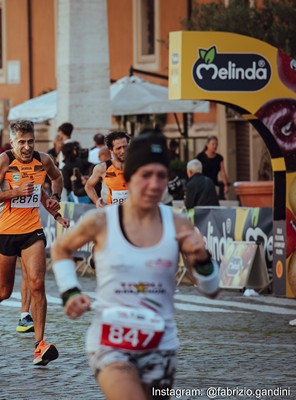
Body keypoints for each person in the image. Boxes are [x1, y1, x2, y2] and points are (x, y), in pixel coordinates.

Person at [51, 130, 220, 399]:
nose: (154, 184)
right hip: (111, 341)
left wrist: (203, 260)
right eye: (146, 175)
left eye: (161, 176)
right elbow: (61, 248)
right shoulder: (102, 222)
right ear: (130, 177)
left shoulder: (177, 224)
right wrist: (70, 290)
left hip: (160, 344)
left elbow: (210, 289)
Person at [0, 119, 63, 366]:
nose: (27, 147)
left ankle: (40, 345)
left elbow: (57, 177)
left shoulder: (43, 160)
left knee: (37, 282)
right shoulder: (3, 161)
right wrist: (16, 192)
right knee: (4, 290)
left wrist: (55, 198)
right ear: (12, 142)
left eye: (30, 141)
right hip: (5, 233)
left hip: (31, 230)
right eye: (21, 142)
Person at [84, 131, 130, 207]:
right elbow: (88, 186)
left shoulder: (137, 165)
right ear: (111, 149)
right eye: (119, 148)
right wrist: (97, 202)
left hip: (132, 213)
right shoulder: (103, 168)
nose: (123, 151)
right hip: (111, 213)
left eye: (125, 147)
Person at [196, 136, 229, 200]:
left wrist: (225, 185)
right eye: (213, 144)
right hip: (202, 185)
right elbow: (197, 172)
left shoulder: (219, 158)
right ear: (207, 144)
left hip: (214, 185)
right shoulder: (200, 157)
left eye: (216, 144)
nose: (215, 146)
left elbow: (222, 172)